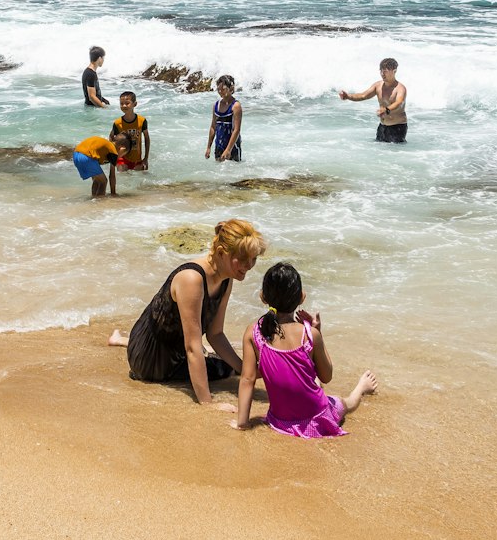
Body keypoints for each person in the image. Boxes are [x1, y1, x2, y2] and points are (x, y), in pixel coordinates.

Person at [108, 218, 266, 405]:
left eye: (253, 259)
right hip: (151, 361)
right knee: (220, 368)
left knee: (223, 362)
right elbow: (192, 347)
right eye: (243, 259)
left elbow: (215, 334)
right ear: (222, 253)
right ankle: (128, 342)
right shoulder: (192, 279)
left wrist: (245, 370)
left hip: (173, 347)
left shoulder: (227, 278)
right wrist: (207, 403)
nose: (249, 266)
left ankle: (121, 340)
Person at [234, 262, 377, 437]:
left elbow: (247, 379)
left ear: (263, 297)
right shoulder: (310, 335)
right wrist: (317, 332)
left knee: (312, 380)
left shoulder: (253, 332)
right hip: (317, 417)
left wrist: (242, 423)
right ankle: (361, 387)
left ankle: (324, 387)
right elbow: (327, 375)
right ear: (302, 297)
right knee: (345, 403)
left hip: (281, 420)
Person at [339, 58, 408, 144]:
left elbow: (399, 102)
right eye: (381, 71)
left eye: (385, 71)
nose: (382, 74)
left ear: (394, 71)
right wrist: (348, 96)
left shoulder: (400, 88)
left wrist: (386, 109)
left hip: (397, 127)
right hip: (382, 127)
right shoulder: (378, 85)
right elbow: (363, 95)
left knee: (394, 154)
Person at [73, 129, 136, 198]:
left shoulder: (106, 146)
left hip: (76, 155)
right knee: (103, 181)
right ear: (122, 149)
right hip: (87, 157)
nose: (121, 157)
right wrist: (113, 193)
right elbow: (112, 176)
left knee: (97, 180)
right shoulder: (113, 151)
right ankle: (100, 202)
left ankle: (93, 198)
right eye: (123, 155)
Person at [204, 74, 243, 162]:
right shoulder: (216, 105)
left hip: (233, 147)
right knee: (219, 172)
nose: (221, 91)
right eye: (219, 89)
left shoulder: (236, 106)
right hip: (219, 145)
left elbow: (236, 130)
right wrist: (208, 147)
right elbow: (213, 127)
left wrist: (228, 149)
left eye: (223, 89)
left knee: (233, 171)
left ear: (231, 88)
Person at [111, 91, 150, 172]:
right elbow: (111, 138)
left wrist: (146, 158)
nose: (124, 105)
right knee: (123, 179)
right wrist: (113, 156)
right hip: (122, 159)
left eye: (127, 103)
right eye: (121, 103)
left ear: (134, 104)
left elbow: (147, 139)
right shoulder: (117, 123)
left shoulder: (142, 121)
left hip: (137, 159)